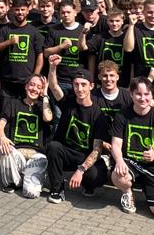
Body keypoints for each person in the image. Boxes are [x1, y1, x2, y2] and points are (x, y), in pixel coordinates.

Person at [44, 60, 108, 203]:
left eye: (83, 85)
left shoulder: (98, 116)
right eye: (76, 85)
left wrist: (80, 170)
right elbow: (54, 86)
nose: (80, 89)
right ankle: (57, 189)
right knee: (53, 147)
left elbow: (97, 150)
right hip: (66, 152)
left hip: (84, 155)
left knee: (98, 176)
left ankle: (87, 184)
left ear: (92, 86)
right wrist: (53, 67)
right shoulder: (69, 102)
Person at [109, 78, 154, 218]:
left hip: (153, 167)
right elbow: (115, 144)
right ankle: (127, 193)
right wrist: (119, 161)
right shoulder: (122, 115)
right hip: (130, 162)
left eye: (147, 94)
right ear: (131, 94)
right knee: (118, 174)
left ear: (151, 95)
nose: (143, 98)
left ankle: (148, 189)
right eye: (138, 94)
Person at [0, 72, 53, 197]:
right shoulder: (13, 104)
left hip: (36, 155)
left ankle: (28, 178)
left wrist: (45, 96)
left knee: (30, 193)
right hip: (18, 152)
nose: (34, 89)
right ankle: (14, 182)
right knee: (5, 149)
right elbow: (1, 124)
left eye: (39, 87)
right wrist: (2, 137)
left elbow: (48, 118)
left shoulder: (44, 105)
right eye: (32, 85)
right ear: (26, 86)